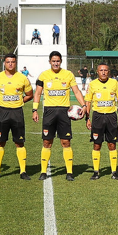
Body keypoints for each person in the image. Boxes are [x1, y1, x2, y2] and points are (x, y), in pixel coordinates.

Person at [34, 51, 87, 181]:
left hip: (64, 112)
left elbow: (76, 91)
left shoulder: (68, 74)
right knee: (47, 142)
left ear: (61, 61)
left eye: (58, 61)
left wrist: (84, 105)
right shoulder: (43, 75)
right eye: (53, 61)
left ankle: (69, 172)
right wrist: (34, 110)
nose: (56, 63)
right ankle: (43, 172)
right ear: (50, 61)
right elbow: (38, 93)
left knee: (66, 142)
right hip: (49, 112)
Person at [0, 53, 33, 180]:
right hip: (3, 112)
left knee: (19, 142)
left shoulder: (23, 78)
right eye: (8, 62)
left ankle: (23, 171)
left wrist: (19, 101)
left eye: (13, 62)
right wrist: (3, 103)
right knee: (0, 141)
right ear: (4, 63)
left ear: (16, 63)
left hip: (17, 112)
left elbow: (30, 94)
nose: (10, 64)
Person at [85, 62, 118, 180]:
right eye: (101, 70)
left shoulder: (114, 83)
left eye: (105, 70)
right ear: (97, 72)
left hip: (111, 117)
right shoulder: (92, 84)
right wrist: (87, 118)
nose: (103, 72)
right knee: (97, 144)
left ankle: (114, 172)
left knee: (112, 144)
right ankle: (96, 172)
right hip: (97, 117)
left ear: (109, 72)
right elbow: (88, 102)